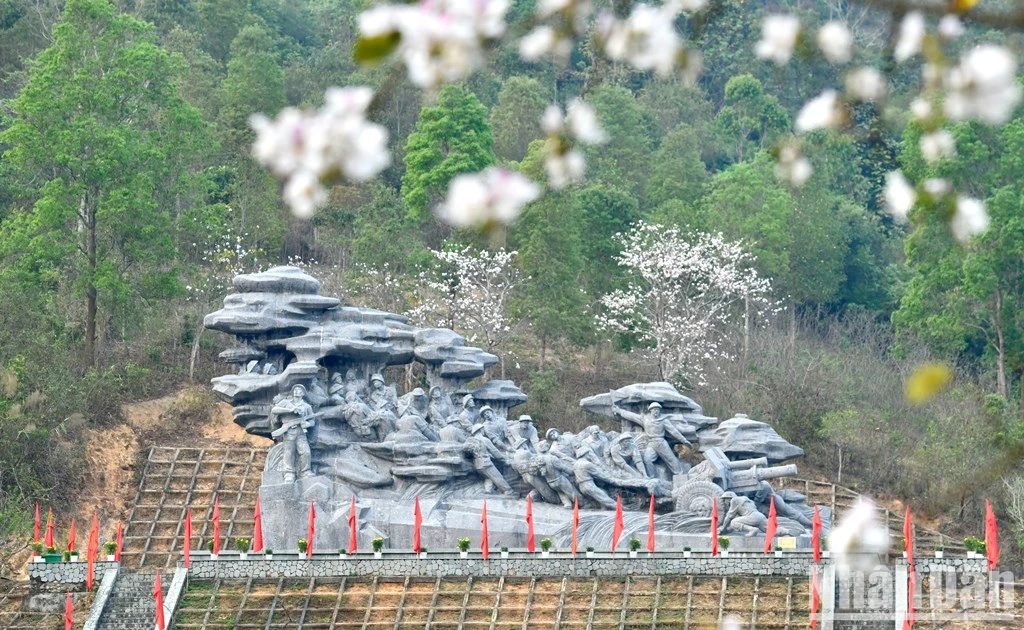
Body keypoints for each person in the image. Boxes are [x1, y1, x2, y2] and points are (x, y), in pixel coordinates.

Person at [612, 402, 688, 475]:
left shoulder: (664, 420)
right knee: (647, 460)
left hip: (661, 442)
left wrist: (683, 440)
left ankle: (680, 474)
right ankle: (652, 477)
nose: (656, 411)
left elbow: (674, 431)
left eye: (658, 410)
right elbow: (632, 416)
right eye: (654, 409)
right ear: (650, 410)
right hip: (651, 443)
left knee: (671, 459)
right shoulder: (645, 419)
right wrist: (619, 410)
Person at [270, 384, 316, 482]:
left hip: (301, 432)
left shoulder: (307, 406)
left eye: (299, 390)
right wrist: (290, 410)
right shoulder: (285, 402)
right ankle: (289, 473)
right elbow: (274, 410)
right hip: (289, 431)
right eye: (295, 389)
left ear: (303, 393)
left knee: (306, 452)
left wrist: (307, 424)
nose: (296, 391)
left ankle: (305, 472)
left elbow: (312, 420)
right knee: (289, 452)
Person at [464, 423, 514, 494]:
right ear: (480, 430)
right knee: (497, 476)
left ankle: (488, 490)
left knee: (488, 477)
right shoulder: (484, 440)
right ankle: (508, 491)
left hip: (477, 464)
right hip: (486, 463)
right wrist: (504, 459)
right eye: (482, 429)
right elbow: (495, 452)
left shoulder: (471, 441)